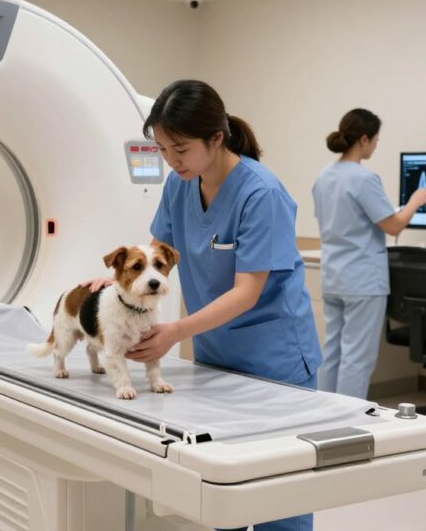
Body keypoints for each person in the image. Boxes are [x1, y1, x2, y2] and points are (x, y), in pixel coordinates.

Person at [93, 79, 322, 531]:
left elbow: (247, 291)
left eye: (180, 149)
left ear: (216, 138)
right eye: (161, 149)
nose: (171, 161)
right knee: (224, 486)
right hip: (216, 354)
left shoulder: (261, 193)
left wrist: (174, 333)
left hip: (274, 358)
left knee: (279, 492)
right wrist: (120, 284)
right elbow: (158, 249)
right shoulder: (181, 185)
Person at [312, 108, 426, 399]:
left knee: (333, 350)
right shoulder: (364, 179)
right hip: (362, 281)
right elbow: (393, 226)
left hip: (333, 276)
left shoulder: (324, 176)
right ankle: (349, 421)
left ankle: (323, 414)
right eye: (376, 139)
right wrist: (414, 202)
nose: (377, 145)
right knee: (357, 356)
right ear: (364, 139)